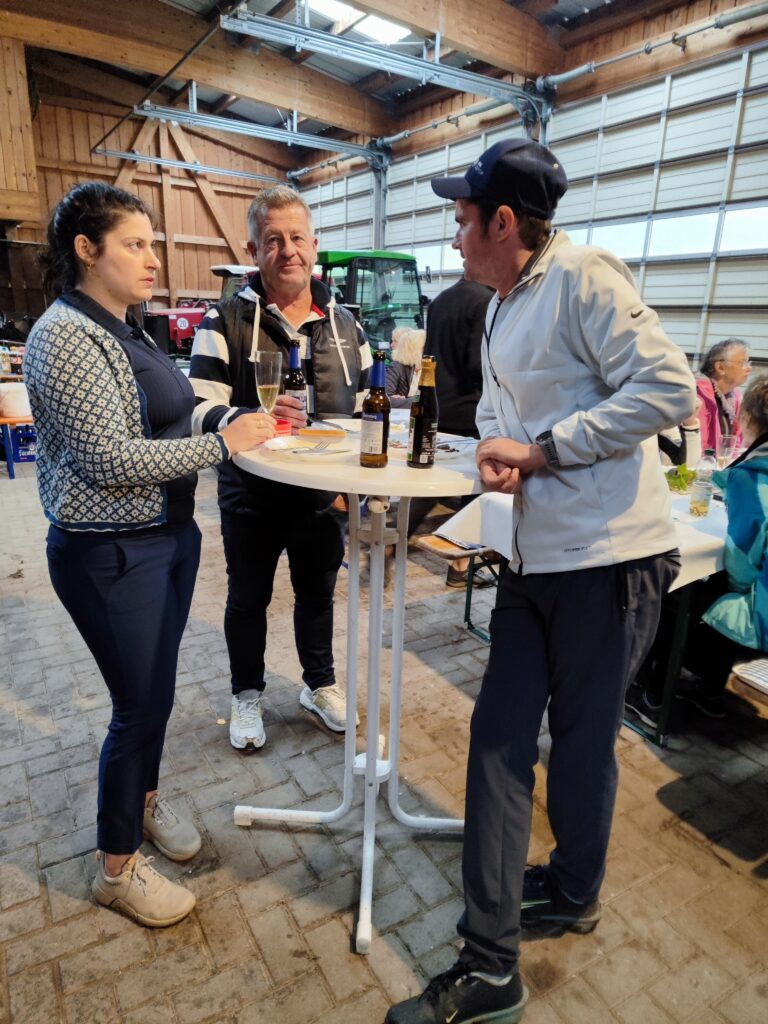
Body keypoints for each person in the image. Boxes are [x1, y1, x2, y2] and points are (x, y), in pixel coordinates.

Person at [386, 138, 696, 1024]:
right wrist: (497, 450)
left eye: (461, 219)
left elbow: (667, 389)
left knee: (583, 745)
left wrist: (545, 451)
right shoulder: (499, 306)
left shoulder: (583, 277)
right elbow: (500, 413)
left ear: (503, 222)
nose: (453, 236)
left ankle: (570, 893)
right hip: (531, 559)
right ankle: (497, 955)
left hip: (610, 561)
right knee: (500, 740)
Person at [23, 182, 275, 927]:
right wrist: (224, 446)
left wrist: (231, 416)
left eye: (153, 244)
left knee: (157, 694)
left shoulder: (129, 329)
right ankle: (116, 867)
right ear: (86, 249)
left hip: (165, 538)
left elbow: (175, 410)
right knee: (136, 707)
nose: (152, 259)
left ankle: (144, 801)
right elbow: (107, 459)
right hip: (110, 552)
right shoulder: (66, 337)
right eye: (135, 244)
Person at [189, 186, 370, 751]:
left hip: (321, 496)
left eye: (296, 238)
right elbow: (197, 408)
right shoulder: (223, 321)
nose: (287, 250)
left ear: (314, 244)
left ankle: (319, 685)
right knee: (248, 600)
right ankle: (246, 695)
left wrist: (356, 489)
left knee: (317, 597)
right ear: (253, 249)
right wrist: (247, 418)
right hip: (252, 496)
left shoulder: (348, 326)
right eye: (273, 240)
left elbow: (368, 409)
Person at [632, 376, 768, 722]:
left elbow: (742, 567)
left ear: (747, 418)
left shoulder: (751, 476)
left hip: (762, 612)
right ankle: (709, 692)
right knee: (711, 581)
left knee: (676, 591)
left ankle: (653, 695)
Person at [696, 338, 750, 454]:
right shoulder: (698, 395)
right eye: (742, 362)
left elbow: (736, 444)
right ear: (720, 367)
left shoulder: (734, 398)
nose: (749, 368)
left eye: (748, 362)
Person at [385, 326, 426, 407]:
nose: (391, 345)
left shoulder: (432, 367)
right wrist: (420, 402)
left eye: (395, 341)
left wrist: (405, 401)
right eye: (424, 346)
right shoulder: (397, 366)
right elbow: (385, 398)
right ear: (414, 349)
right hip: (405, 414)